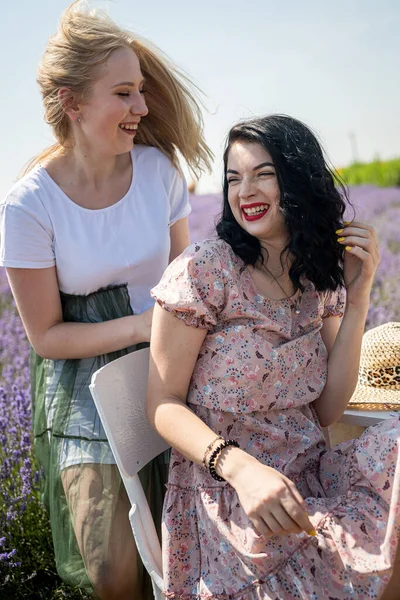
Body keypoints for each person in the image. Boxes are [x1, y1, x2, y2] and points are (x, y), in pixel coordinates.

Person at [0, 2, 211, 598]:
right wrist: (143, 324)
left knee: (184, 545)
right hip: (78, 385)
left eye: (141, 91)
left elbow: (184, 277)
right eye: (124, 93)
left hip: (169, 362)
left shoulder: (159, 173)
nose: (141, 107)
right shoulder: (28, 205)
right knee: (111, 568)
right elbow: (45, 337)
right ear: (72, 102)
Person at [147, 115, 400, 599]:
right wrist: (240, 467)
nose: (245, 191)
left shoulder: (313, 275)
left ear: (298, 177)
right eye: (233, 178)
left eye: (263, 174)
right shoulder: (204, 271)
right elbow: (161, 401)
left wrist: (359, 292)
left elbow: (326, 409)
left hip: (309, 471)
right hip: (232, 496)